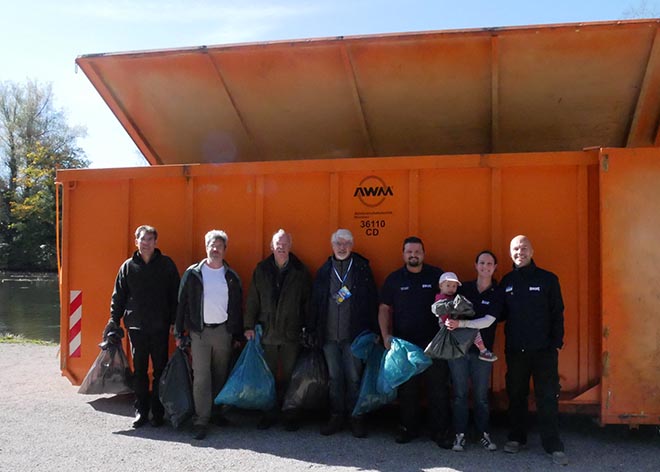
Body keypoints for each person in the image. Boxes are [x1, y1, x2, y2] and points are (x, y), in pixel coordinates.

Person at [104, 225, 180, 429]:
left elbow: (175, 296)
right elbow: (118, 296)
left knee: (160, 370)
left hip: (160, 326)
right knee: (139, 371)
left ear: (156, 242)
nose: (145, 243)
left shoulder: (166, 265)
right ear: (135, 241)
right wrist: (114, 319)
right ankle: (141, 411)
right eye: (142, 239)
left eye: (149, 239)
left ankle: (157, 412)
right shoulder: (128, 267)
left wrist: (174, 321)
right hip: (136, 327)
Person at [378, 236, 452, 447]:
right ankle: (409, 428)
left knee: (437, 389)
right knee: (407, 390)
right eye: (409, 252)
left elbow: (449, 300)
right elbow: (384, 308)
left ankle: (440, 431)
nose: (413, 255)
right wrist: (385, 336)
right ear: (403, 254)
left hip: (434, 344)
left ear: (423, 254)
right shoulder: (394, 279)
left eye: (417, 251)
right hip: (405, 345)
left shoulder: (436, 275)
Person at [501, 235, 568, 466]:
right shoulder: (506, 281)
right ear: (511, 253)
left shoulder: (548, 279)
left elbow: (557, 312)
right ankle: (516, 438)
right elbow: (497, 313)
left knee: (547, 397)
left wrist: (556, 343)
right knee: (516, 395)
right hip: (516, 352)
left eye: (524, 248)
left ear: (532, 250)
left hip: (544, 352)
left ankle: (553, 444)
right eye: (515, 249)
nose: (520, 252)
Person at [308, 229, 378, 438]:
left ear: (352, 245)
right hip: (329, 337)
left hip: (353, 337)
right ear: (332, 245)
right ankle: (336, 416)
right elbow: (314, 303)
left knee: (354, 378)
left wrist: (374, 331)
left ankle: (356, 418)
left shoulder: (362, 268)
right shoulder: (324, 270)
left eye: (346, 242)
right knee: (334, 378)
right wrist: (312, 329)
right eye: (338, 242)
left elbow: (372, 300)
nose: (342, 246)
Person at [175, 230, 244, 440]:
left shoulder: (231, 276)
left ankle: (216, 413)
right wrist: (179, 331)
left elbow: (237, 307)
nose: (215, 249)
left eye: (219, 246)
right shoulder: (193, 273)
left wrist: (238, 335)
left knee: (220, 374)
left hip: (223, 332)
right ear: (206, 247)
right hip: (200, 333)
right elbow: (181, 304)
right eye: (212, 245)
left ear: (225, 249)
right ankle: (201, 420)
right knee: (202, 377)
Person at [244, 229, 312, 431]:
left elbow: (308, 303)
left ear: (290, 246)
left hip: (292, 334)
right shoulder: (262, 270)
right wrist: (248, 326)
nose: (281, 247)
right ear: (271, 247)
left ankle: (291, 414)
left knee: (292, 375)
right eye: (277, 244)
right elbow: (252, 300)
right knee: (269, 376)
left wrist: (308, 328)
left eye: (284, 244)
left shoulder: (300, 271)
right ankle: (269, 413)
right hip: (268, 333)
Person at [443, 252, 502, 452]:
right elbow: (446, 304)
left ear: (495, 267)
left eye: (490, 264)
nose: (485, 266)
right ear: (475, 265)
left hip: (482, 353)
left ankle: (483, 433)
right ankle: (459, 434)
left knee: (481, 396)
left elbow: (488, 320)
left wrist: (462, 323)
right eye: (482, 263)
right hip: (458, 349)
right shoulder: (464, 288)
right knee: (459, 394)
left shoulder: (497, 292)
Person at [433, 271, 498, 362]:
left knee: (473, 329)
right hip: (448, 326)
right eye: (448, 285)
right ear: (440, 286)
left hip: (455, 323)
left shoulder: (452, 297)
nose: (451, 289)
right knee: (472, 330)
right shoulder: (441, 298)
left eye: (454, 286)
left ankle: (482, 350)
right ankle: (483, 350)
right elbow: (442, 313)